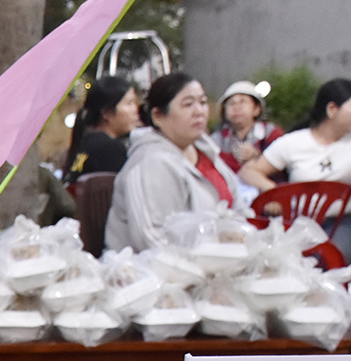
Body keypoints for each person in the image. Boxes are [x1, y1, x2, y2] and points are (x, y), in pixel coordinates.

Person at [105, 73, 244, 252]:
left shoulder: (207, 152)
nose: (199, 111)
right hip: (161, 273)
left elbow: (240, 213)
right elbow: (151, 240)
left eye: (202, 102)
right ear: (158, 116)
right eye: (188, 104)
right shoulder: (149, 162)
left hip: (221, 263)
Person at [241, 78, 351, 258]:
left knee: (336, 254)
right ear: (332, 109)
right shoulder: (293, 143)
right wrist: (274, 193)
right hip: (297, 222)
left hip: (343, 222)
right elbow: (249, 172)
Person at [65, 76, 140, 181]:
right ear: (106, 113)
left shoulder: (88, 142)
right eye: (129, 103)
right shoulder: (108, 149)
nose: (135, 110)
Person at [212, 81, 282, 171]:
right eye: (231, 103)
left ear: (257, 109)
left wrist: (259, 158)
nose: (236, 107)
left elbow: (285, 167)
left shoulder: (271, 134)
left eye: (243, 102)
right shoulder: (216, 140)